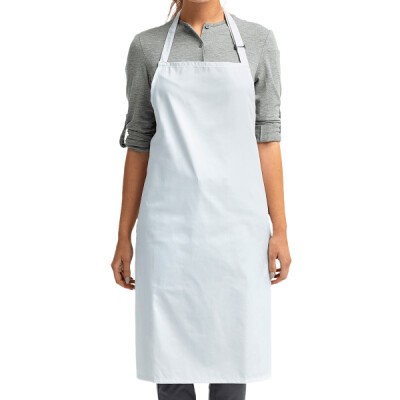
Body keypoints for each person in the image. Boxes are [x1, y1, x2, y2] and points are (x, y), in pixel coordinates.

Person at [111, 0, 291, 399]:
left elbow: (267, 138)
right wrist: (124, 235)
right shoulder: (146, 47)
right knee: (170, 365)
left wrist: (279, 229)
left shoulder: (259, 42)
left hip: (236, 233)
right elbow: (139, 143)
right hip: (169, 233)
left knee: (233, 363)